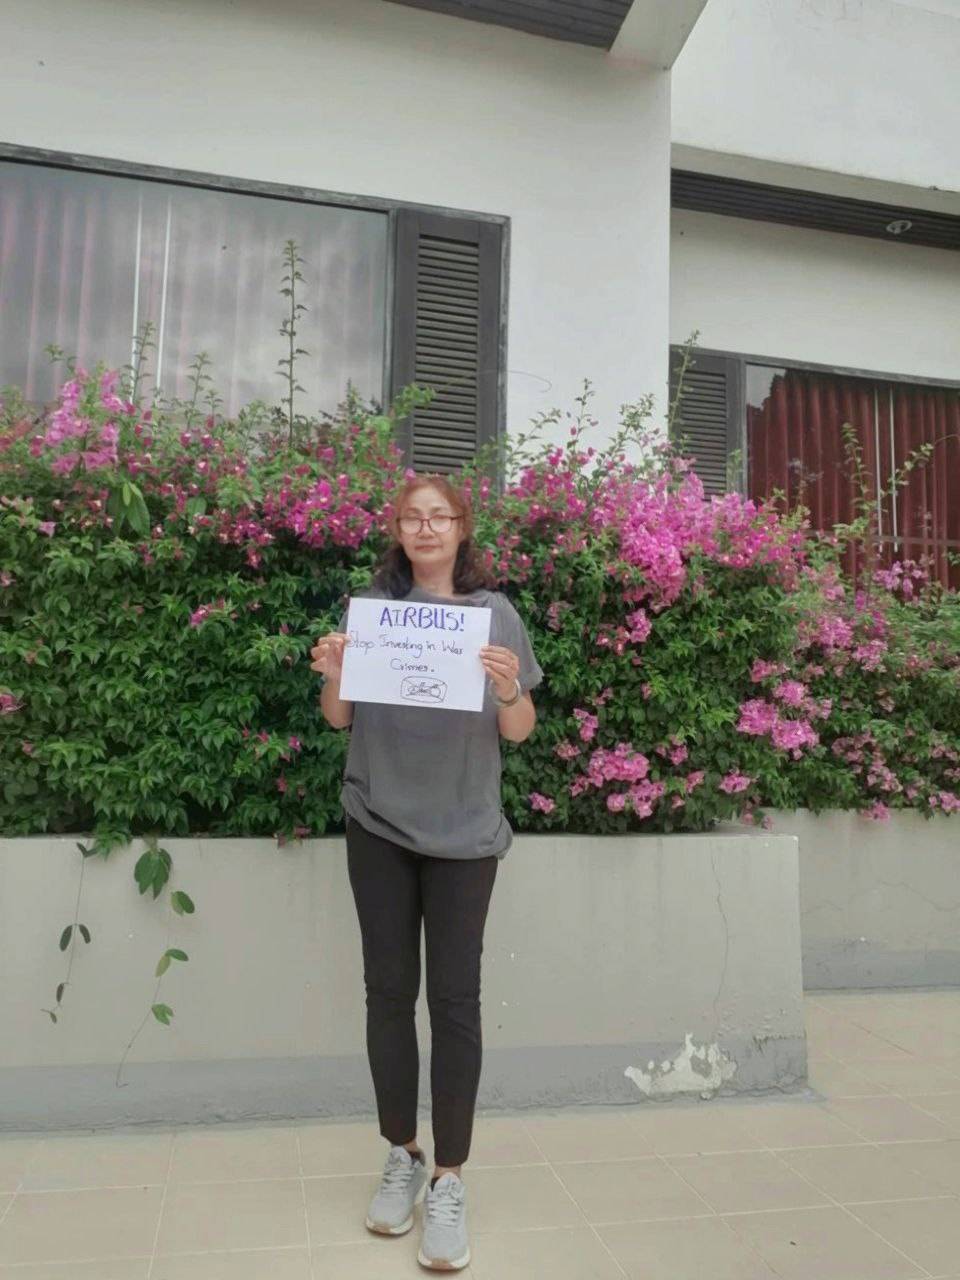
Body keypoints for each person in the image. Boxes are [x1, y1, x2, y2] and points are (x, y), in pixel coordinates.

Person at [310, 472, 542, 1271]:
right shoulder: (370, 612)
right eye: (412, 517)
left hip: (466, 833)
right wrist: (333, 671)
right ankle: (402, 1153)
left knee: (455, 1001)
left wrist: (507, 688)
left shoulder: (494, 613)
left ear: (462, 527)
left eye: (440, 516)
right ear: (398, 530)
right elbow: (339, 717)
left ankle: (449, 1178)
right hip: (377, 822)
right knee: (387, 993)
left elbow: (520, 730)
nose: (426, 528)